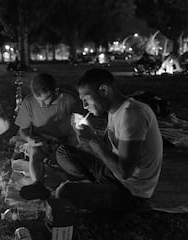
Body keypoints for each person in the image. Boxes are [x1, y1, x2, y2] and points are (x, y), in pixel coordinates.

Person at [54, 68, 163, 211]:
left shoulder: (132, 114)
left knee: (64, 192)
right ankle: (92, 186)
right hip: (111, 173)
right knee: (63, 152)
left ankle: (90, 187)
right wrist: (86, 138)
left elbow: (125, 173)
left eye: (86, 99)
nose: (84, 106)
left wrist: (92, 139)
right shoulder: (114, 111)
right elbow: (105, 146)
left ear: (104, 90)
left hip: (131, 191)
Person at [15, 73, 79, 200]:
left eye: (46, 99)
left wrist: (72, 143)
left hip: (64, 143)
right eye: (38, 100)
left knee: (70, 163)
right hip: (41, 142)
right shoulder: (29, 102)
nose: (42, 104)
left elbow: (79, 127)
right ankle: (38, 185)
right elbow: (23, 130)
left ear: (55, 91)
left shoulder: (69, 101)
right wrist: (29, 139)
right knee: (35, 152)